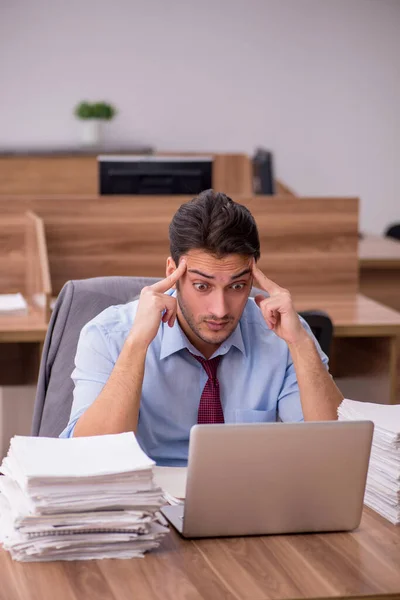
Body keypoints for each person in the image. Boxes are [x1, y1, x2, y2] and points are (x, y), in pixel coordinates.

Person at [60, 190, 343, 465]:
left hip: (248, 500)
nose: (220, 309)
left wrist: (301, 345)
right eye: (202, 286)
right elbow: (89, 457)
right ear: (173, 273)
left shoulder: (282, 331)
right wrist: (136, 346)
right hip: (147, 502)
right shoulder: (110, 335)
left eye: (236, 286)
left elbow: (336, 451)